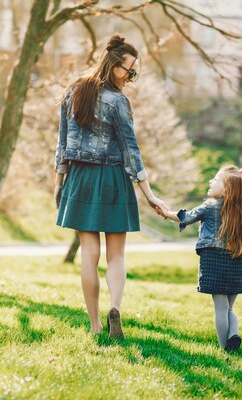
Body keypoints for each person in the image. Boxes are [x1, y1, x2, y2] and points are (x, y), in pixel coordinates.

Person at [54, 35, 169, 339]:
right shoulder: (118, 102)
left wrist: (59, 182)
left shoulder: (73, 91)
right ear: (114, 65)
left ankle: (94, 326)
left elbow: (62, 143)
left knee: (88, 255)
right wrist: (150, 194)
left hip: (80, 179)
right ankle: (114, 306)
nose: (131, 77)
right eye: (129, 70)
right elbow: (131, 150)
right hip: (113, 178)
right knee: (116, 255)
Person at [159, 166, 242, 351]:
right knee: (229, 308)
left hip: (213, 261)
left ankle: (224, 348)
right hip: (237, 264)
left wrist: (166, 213)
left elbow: (186, 217)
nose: (211, 182)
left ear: (226, 189)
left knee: (220, 308)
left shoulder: (210, 206)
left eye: (215, 180)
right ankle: (234, 334)